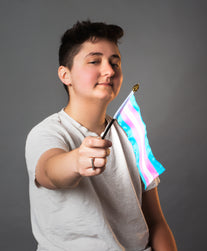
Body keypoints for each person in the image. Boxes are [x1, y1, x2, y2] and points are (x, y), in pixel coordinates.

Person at [25, 20, 177, 251]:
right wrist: (76, 161)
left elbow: (156, 223)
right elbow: (48, 172)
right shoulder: (47, 132)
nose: (109, 70)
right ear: (65, 75)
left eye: (115, 62)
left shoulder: (133, 133)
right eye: (94, 61)